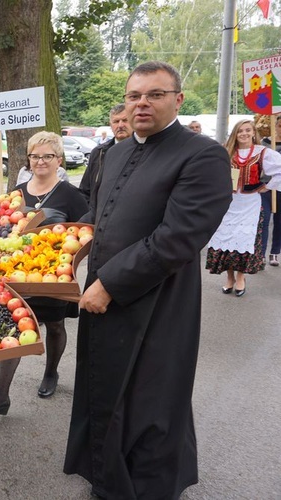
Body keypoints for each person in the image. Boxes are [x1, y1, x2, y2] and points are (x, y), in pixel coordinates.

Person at [63, 61, 233, 499]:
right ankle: (105, 476)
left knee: (151, 398)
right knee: (102, 385)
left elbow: (179, 237)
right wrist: (52, 239)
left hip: (159, 301)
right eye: (134, 95)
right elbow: (99, 218)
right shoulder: (113, 152)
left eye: (155, 94)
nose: (142, 103)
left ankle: (147, 488)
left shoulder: (203, 154)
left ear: (177, 99)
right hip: (104, 295)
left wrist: (110, 284)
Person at [0, 131, 88, 415]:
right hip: (16, 278)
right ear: (28, 160)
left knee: (54, 325)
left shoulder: (71, 195)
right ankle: (1, 395)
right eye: (35, 156)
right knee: (14, 328)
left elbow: (86, 231)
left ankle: (51, 372)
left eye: (47, 156)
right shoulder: (17, 193)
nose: (41, 161)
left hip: (51, 278)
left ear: (58, 160)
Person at [206, 119, 281, 292]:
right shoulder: (226, 151)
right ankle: (229, 277)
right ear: (235, 133)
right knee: (226, 238)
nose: (244, 134)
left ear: (254, 132)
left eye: (248, 130)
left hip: (250, 203)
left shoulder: (262, 152)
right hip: (228, 203)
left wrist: (267, 186)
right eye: (240, 131)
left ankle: (241, 277)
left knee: (244, 240)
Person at [78, 104, 132, 204]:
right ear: (110, 125)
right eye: (116, 121)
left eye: (125, 120)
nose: (120, 125)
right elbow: (85, 190)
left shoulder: (145, 150)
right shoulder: (98, 153)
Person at [258, 114, 281, 267]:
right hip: (265, 188)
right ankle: (261, 254)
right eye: (280, 126)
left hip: (280, 188)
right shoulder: (264, 144)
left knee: (279, 221)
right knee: (264, 220)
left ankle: (275, 252)